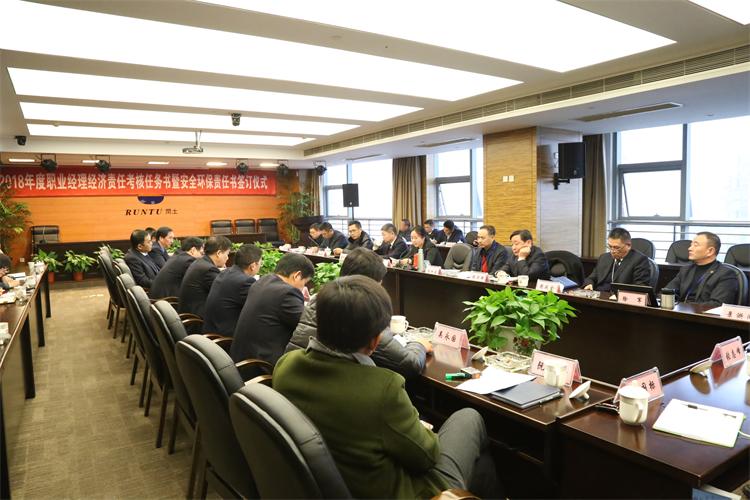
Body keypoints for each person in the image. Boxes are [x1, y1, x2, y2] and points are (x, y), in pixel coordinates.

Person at [274, 275, 499, 499]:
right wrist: (421, 429)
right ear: (375, 341)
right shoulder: (382, 389)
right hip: (406, 492)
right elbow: (427, 456)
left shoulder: (286, 365)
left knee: (477, 463)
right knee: (469, 418)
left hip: (325, 485)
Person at [287, 247, 430, 377]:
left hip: (295, 372)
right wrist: (419, 345)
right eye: (380, 282)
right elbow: (409, 363)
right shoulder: (363, 309)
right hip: (327, 381)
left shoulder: (319, 297)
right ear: (369, 284)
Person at [231, 253, 314, 365]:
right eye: (304, 283)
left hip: (241, 358)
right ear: (297, 275)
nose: (303, 287)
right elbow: (307, 326)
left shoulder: (262, 281)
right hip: (261, 365)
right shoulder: (288, 293)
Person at [663, 232, 739, 307]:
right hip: (680, 312)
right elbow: (666, 292)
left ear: (710, 251)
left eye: (695, 245)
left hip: (702, 314)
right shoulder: (686, 270)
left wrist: (686, 307)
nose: (689, 248)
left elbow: (717, 305)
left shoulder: (726, 274)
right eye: (691, 245)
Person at [202, 244, 262, 338]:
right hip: (225, 337)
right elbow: (259, 309)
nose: (260, 266)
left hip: (212, 330)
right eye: (260, 263)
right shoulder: (245, 282)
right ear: (253, 266)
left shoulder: (226, 272)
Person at [583, 228, 651, 292]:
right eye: (610, 246)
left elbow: (640, 287)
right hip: (599, 295)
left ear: (628, 246)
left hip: (620, 297)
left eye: (616, 247)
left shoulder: (639, 260)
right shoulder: (604, 257)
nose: (612, 251)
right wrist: (589, 284)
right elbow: (592, 278)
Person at [178, 235, 231, 317]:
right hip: (197, 318)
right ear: (219, 253)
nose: (227, 258)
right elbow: (225, 292)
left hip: (189, 312)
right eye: (227, 254)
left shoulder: (200, 262)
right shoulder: (208, 269)